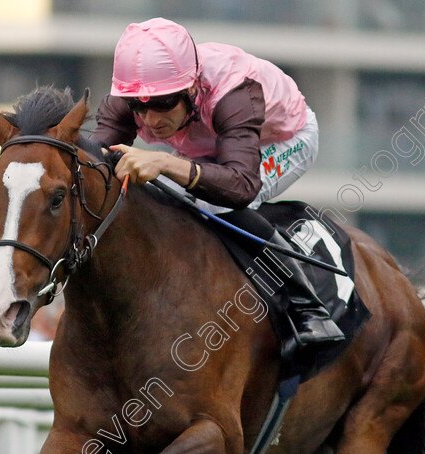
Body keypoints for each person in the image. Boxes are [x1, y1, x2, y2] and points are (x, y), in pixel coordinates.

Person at [92, 17, 343, 346]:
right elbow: (92, 164)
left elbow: (240, 186)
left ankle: (308, 307)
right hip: (212, 146)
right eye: (138, 107)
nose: (150, 120)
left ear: (193, 87)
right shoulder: (130, 92)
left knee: (212, 200)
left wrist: (166, 162)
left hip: (282, 138)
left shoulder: (234, 93)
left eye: (164, 104)